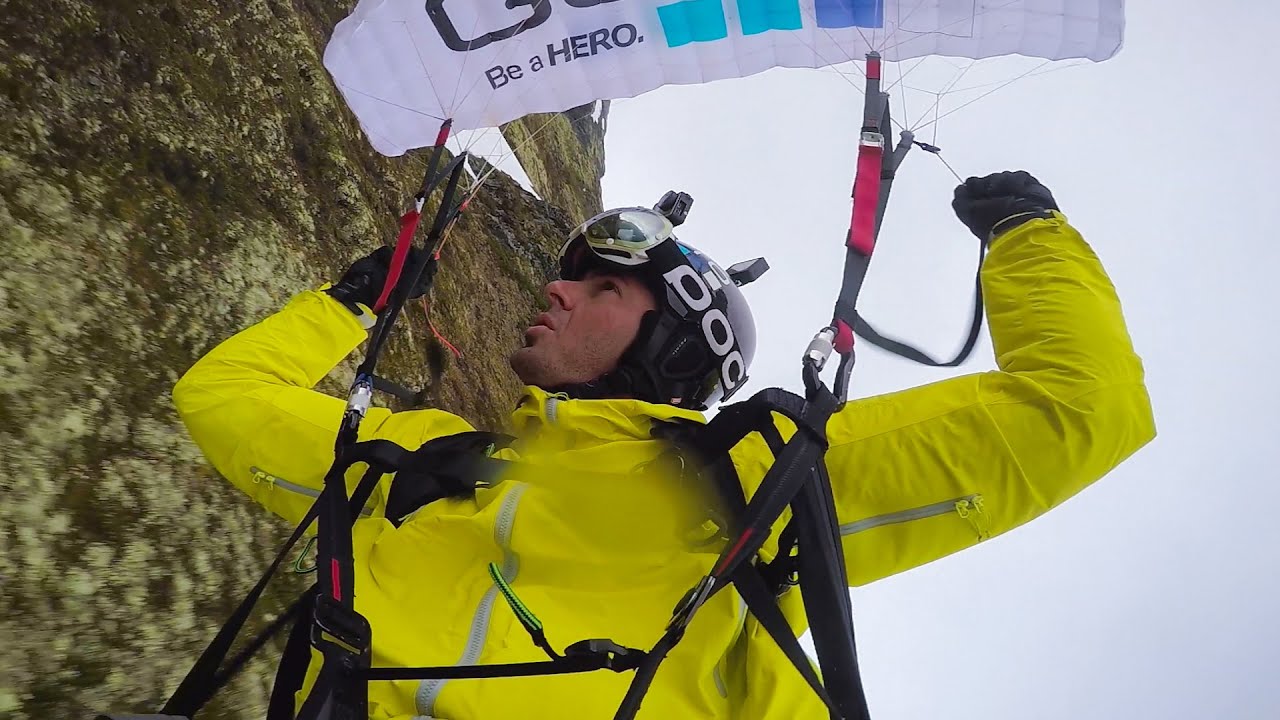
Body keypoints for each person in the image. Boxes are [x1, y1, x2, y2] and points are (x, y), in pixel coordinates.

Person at [172, 171, 1155, 719]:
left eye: (600, 286)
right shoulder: (423, 464)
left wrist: (1026, 234)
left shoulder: (743, 482)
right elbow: (220, 398)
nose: (552, 290)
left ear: (667, 338)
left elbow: (1077, 411)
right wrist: (350, 305)